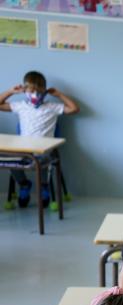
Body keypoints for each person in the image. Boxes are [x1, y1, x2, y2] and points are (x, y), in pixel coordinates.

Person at [0, 70, 79, 207]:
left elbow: (74, 109)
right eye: (31, 91)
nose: (35, 95)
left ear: (45, 91)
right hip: (24, 148)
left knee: (42, 159)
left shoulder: (52, 107)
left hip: (45, 149)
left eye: (39, 91)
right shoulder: (20, 106)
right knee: (10, 159)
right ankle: (24, 185)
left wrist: (59, 95)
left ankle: (44, 186)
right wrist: (10, 92)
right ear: (25, 91)